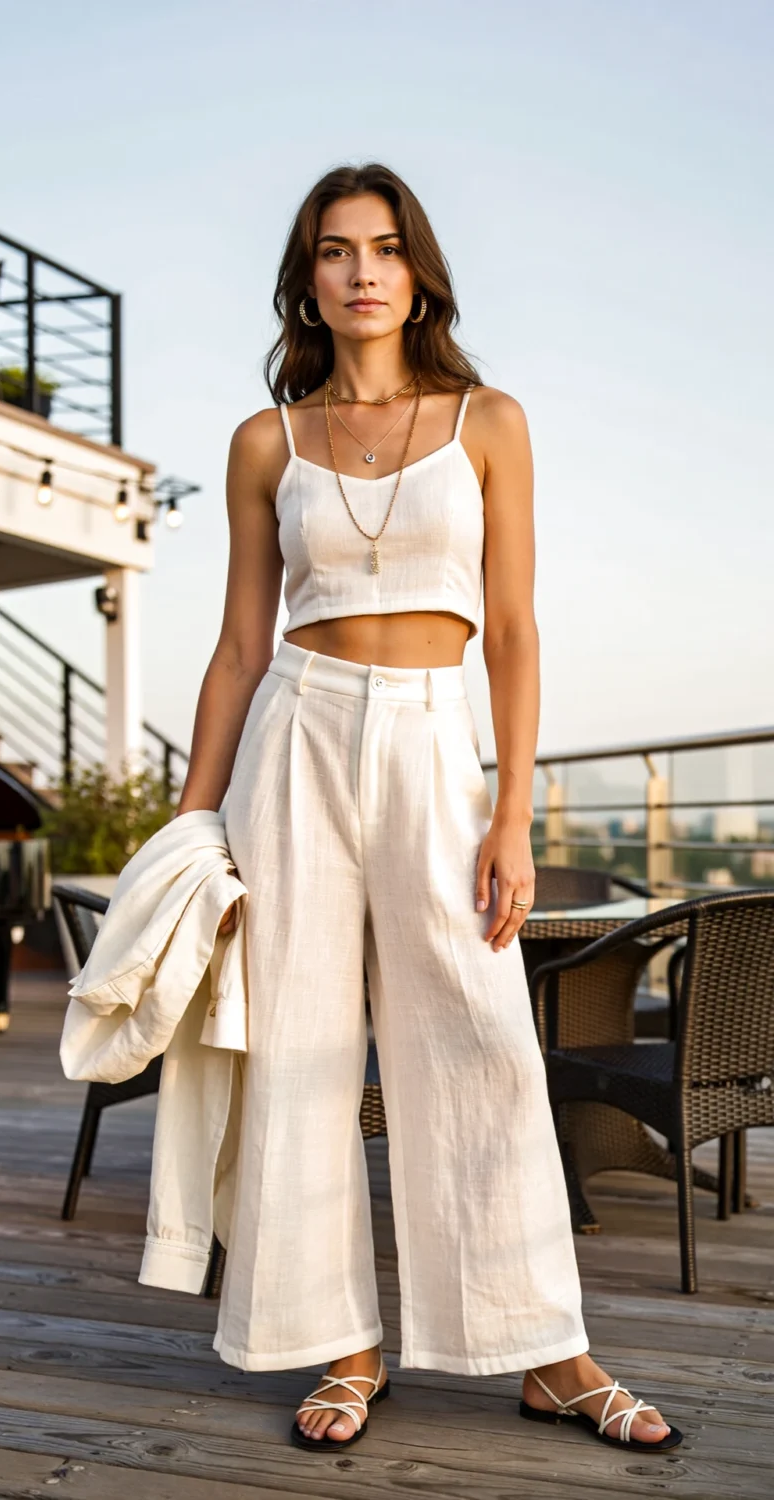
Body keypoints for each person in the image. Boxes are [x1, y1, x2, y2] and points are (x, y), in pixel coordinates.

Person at [173, 162, 681, 1454]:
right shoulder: (264, 441)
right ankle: (341, 1347)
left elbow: (510, 630)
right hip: (292, 733)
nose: (360, 271)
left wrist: (511, 813)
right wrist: (191, 825)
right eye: (336, 250)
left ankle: (544, 1353)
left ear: (418, 272)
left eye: (385, 248)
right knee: (300, 1052)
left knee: (480, 1039)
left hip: (429, 736)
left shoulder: (488, 421)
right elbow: (238, 647)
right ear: (309, 278)